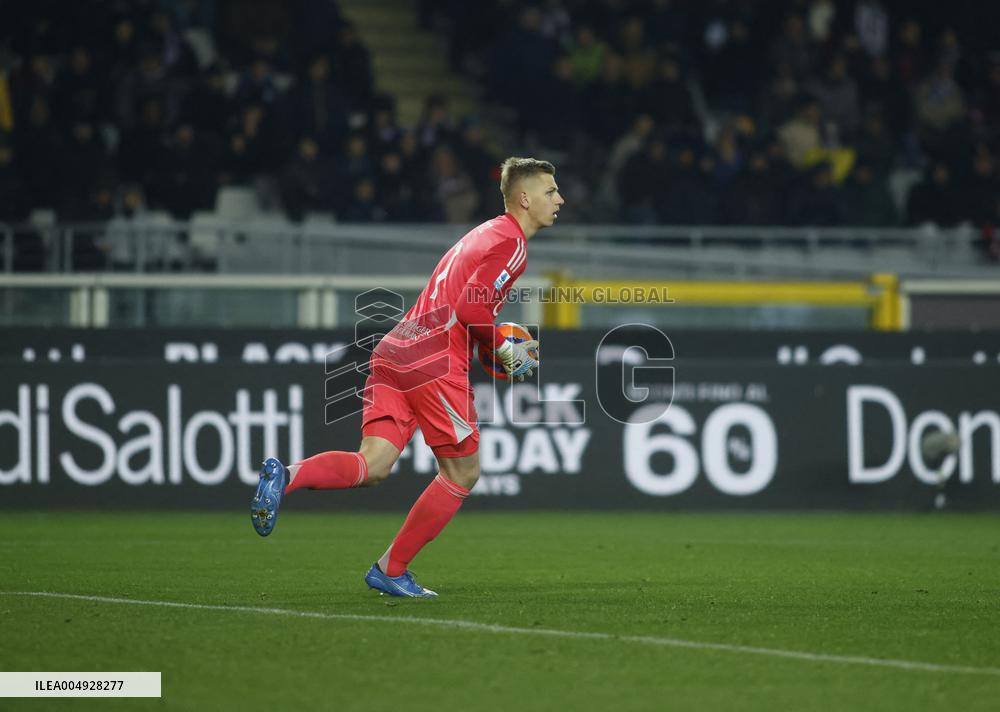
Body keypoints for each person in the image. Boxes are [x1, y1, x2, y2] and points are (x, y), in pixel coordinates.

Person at [250, 157, 564, 597]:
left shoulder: (483, 233)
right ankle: (391, 569)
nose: (559, 199)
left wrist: (490, 346)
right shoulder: (512, 244)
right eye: (550, 191)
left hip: (395, 348)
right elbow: (472, 311)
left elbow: (466, 306)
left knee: (372, 465)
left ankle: (286, 475)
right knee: (462, 473)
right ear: (525, 198)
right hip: (433, 361)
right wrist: (503, 350)